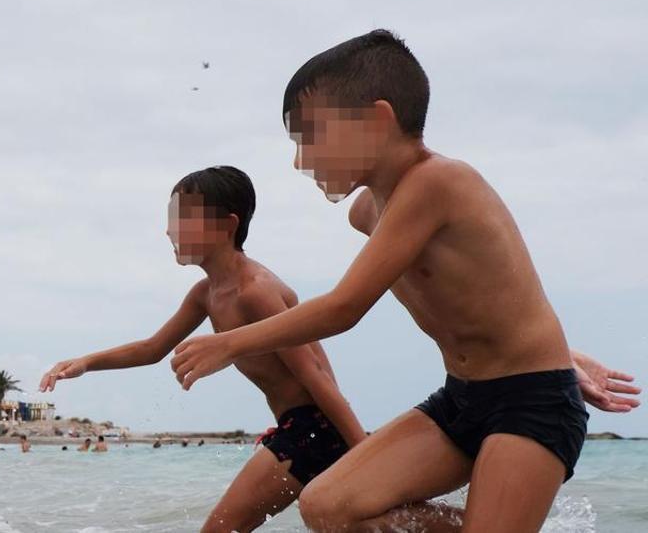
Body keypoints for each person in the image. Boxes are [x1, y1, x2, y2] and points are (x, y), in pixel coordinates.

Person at [168, 29, 641, 531]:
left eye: (310, 137)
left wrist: (228, 344)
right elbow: (476, 289)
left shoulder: (440, 181)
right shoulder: (368, 214)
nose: (301, 161)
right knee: (326, 504)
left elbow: (343, 308)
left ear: (377, 120)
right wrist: (564, 351)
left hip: (532, 402)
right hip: (460, 399)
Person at [41, 166, 368, 532]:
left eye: (182, 217)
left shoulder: (254, 291)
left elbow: (317, 376)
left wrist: (364, 456)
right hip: (297, 430)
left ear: (227, 225)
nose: (170, 230)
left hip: (313, 430)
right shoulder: (206, 294)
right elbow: (152, 348)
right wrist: (87, 362)